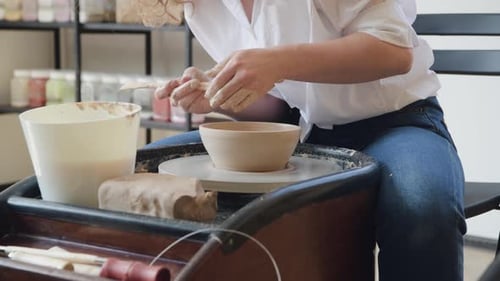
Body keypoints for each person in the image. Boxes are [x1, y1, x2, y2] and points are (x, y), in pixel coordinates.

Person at [144, 1, 466, 280]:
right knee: (145, 173)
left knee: (421, 207)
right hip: (302, 132)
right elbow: (276, 107)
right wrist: (218, 96)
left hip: (396, 122)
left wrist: (276, 62)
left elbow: (393, 51)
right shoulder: (199, 6)